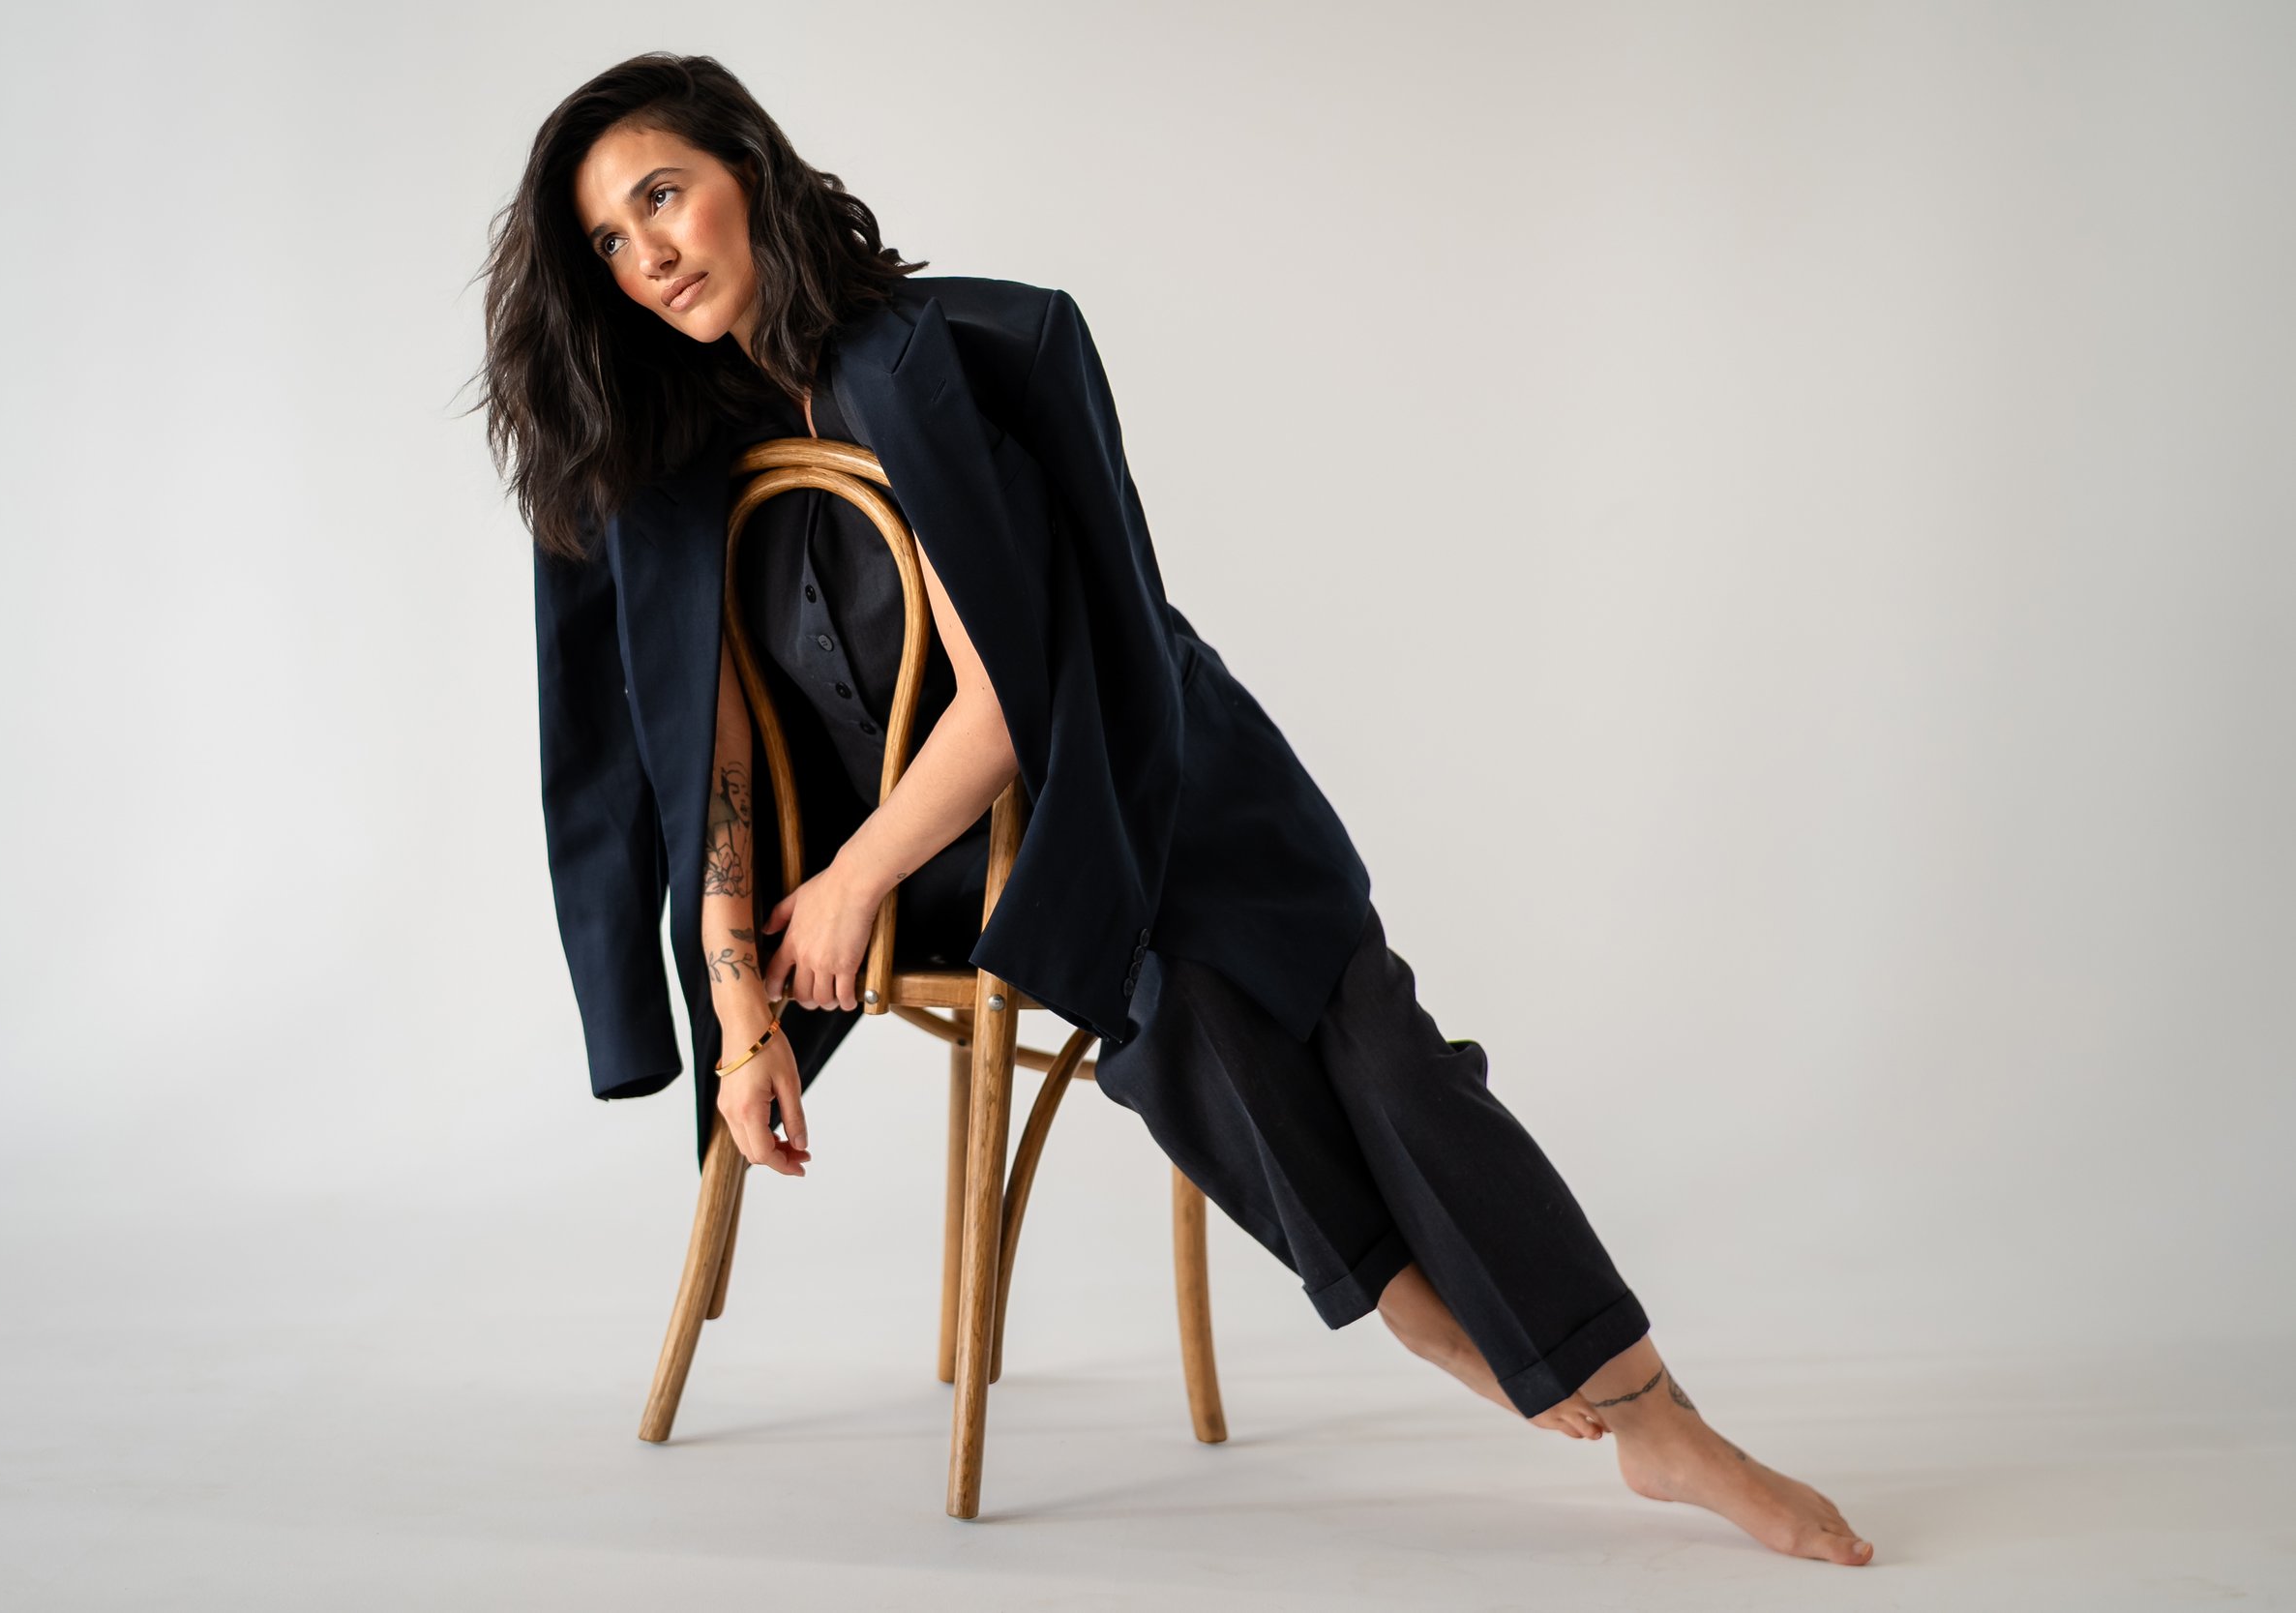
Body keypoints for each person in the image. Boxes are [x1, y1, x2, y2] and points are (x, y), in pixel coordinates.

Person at [480, 51, 1874, 1568]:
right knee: (1178, 1024)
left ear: (750, 169)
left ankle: (1653, 1414)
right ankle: (1420, 1307)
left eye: (664, 197)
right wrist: (741, 1002)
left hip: (1165, 783)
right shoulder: (686, 458)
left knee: (1374, 1043)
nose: (650, 255)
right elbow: (716, 768)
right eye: (611, 241)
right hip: (985, 864)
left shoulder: (901, 371)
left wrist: (857, 880)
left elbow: (1007, 700)